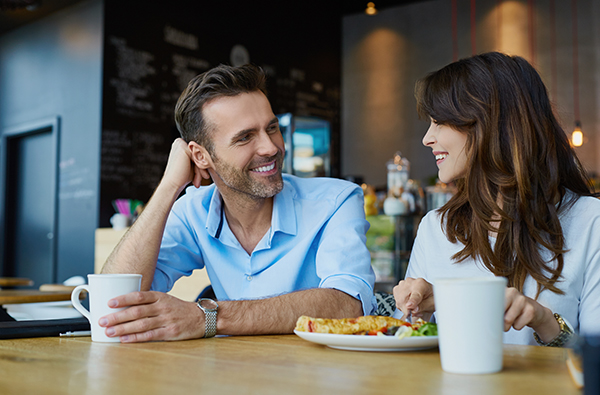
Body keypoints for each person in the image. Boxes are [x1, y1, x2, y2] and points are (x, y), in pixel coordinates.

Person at [100, 64, 377, 342]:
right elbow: (115, 300)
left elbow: (349, 304)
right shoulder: (194, 210)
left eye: (272, 128)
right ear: (200, 156)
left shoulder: (337, 201)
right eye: (245, 137)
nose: (270, 147)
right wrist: (169, 186)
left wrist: (209, 317)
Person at [393, 52, 600, 346]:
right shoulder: (436, 227)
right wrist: (418, 313)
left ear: (490, 124)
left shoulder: (591, 222)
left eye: (440, 122)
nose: (427, 138)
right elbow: (404, 349)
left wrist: (544, 322)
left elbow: (594, 365)